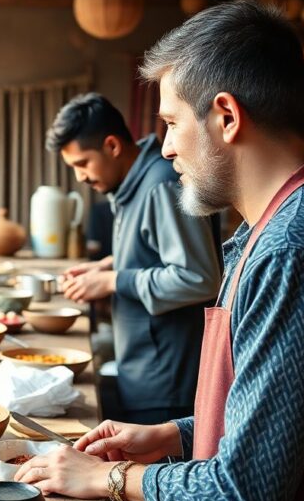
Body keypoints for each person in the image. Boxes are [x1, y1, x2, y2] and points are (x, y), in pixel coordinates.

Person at [16, 0, 304, 501]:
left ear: (226, 116)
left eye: (171, 122)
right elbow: (280, 422)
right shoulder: (278, 227)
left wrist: (108, 476)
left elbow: (242, 495)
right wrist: (175, 434)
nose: (165, 149)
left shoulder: (295, 249)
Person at [47, 92, 221, 425]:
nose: (80, 177)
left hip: (165, 384)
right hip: (143, 372)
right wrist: (109, 264)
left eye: (82, 164)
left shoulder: (161, 185)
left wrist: (114, 280)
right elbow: (155, 250)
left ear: (112, 145)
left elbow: (198, 278)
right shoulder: (133, 183)